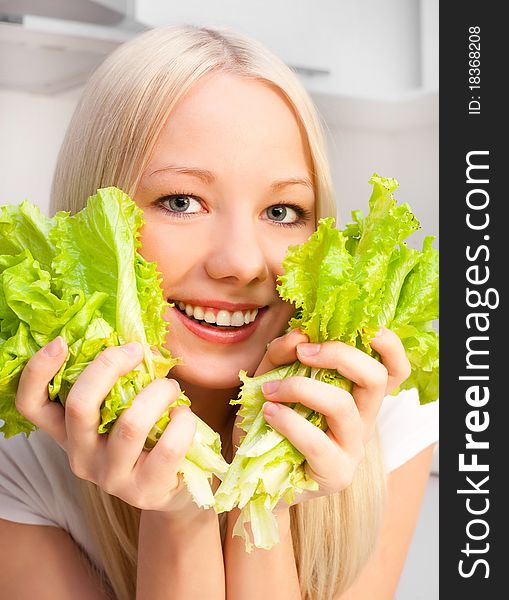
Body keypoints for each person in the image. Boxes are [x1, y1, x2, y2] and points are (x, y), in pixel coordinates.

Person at [0, 25, 439, 600]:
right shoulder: (20, 462)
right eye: (181, 202)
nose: (241, 262)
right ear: (89, 230)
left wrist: (266, 502)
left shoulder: (379, 412)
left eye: (282, 210)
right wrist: (178, 513)